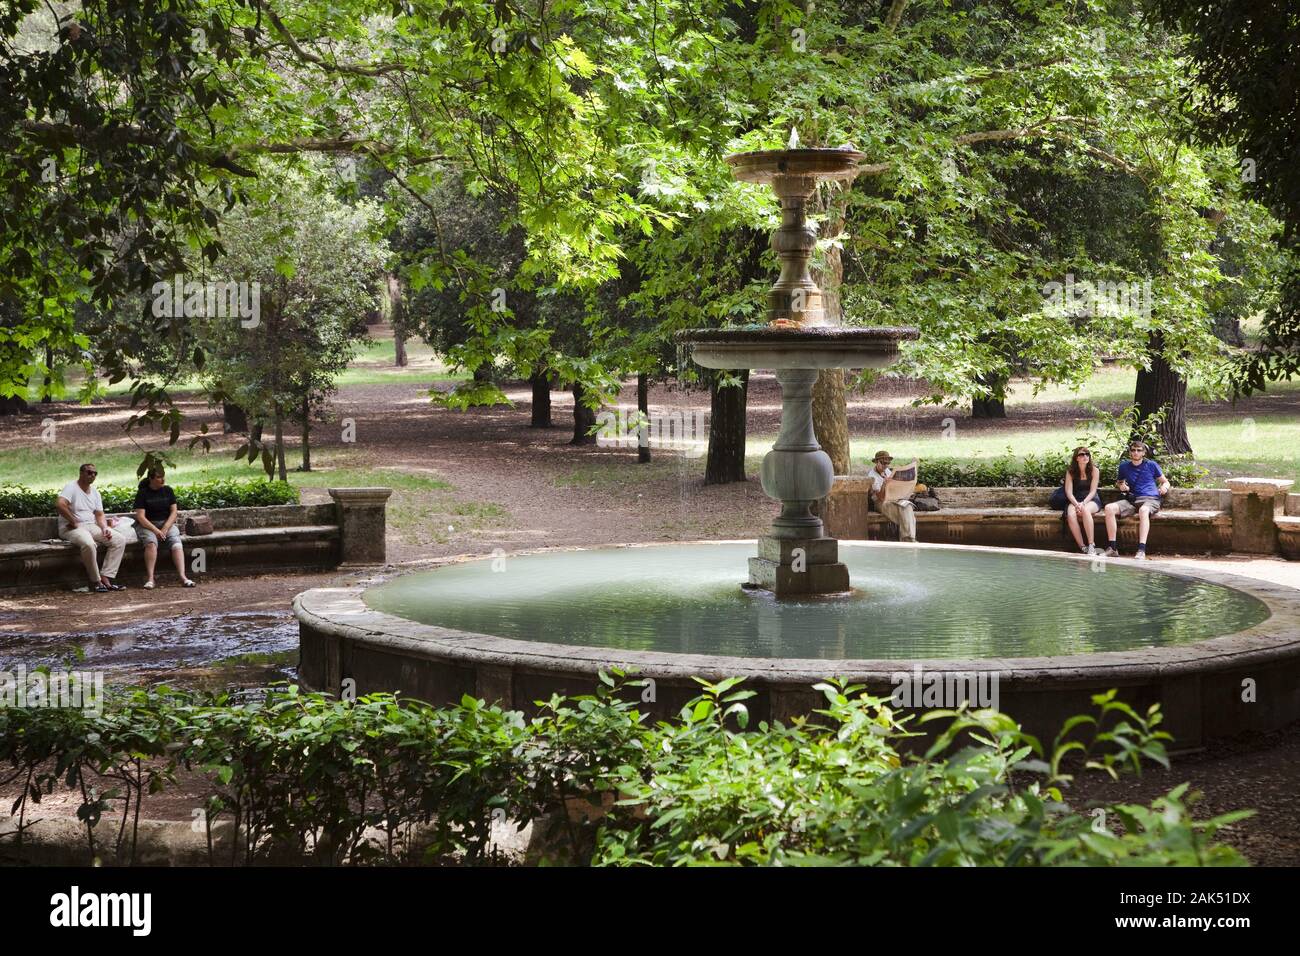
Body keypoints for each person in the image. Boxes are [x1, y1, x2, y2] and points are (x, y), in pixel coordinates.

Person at [56, 463, 129, 592]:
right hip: (72, 528)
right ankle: (96, 581)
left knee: (119, 540)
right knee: (89, 544)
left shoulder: (95, 492)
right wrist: (73, 521)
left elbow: (99, 514)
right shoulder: (71, 487)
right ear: (81, 473)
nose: (93, 475)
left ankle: (106, 576)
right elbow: (60, 504)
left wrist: (104, 527)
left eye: (95, 473)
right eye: (89, 472)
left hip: (91, 525)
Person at [1102, 440, 1171, 560]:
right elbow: (1119, 482)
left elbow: (1165, 481)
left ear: (1143, 453)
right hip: (1132, 500)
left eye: (1139, 450)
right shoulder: (1124, 466)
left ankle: (1141, 549)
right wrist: (1122, 485)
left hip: (1151, 499)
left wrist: (1164, 487)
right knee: (1109, 508)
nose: (1135, 453)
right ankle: (1112, 548)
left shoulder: (1151, 465)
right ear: (1130, 452)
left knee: (1144, 510)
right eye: (1133, 450)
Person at [133, 466, 195, 589]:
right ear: (151, 479)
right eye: (159, 477)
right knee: (151, 543)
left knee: (176, 544)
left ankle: (183, 577)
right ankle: (150, 579)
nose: (162, 479)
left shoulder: (168, 491)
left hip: (166, 524)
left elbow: (173, 512)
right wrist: (156, 531)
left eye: (163, 476)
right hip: (148, 525)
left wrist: (165, 528)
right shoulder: (142, 493)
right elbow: (141, 517)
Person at [1050, 446, 1102, 554]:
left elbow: (1093, 491)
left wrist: (1083, 504)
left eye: (1087, 454)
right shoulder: (1071, 472)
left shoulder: (1094, 470)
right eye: (1082, 455)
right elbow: (1068, 492)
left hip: (1091, 499)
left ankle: (1091, 544)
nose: (1085, 457)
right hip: (1075, 499)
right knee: (1070, 514)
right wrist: (1077, 504)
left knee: (1085, 510)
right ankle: (1082, 547)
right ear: (1076, 458)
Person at [867, 450, 917, 543]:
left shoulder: (887, 471)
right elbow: (880, 497)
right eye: (883, 463)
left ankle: (909, 539)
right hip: (881, 502)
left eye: (888, 463)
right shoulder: (872, 476)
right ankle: (908, 539)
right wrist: (884, 484)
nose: (886, 465)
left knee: (908, 506)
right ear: (876, 462)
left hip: (893, 499)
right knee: (905, 514)